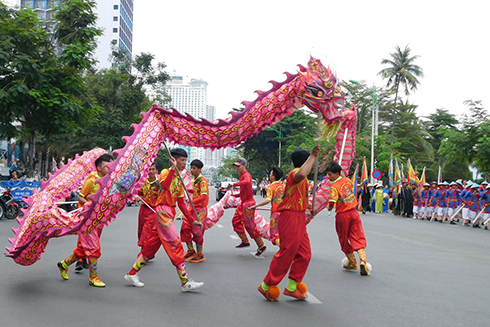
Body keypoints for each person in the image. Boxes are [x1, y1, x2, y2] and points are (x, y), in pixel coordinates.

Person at [123, 148, 204, 292]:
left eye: (186, 160)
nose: (185, 163)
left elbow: (181, 203)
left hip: (170, 212)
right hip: (162, 212)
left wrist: (192, 220)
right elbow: (165, 186)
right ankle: (185, 282)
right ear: (173, 160)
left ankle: (132, 274)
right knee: (175, 244)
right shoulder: (166, 172)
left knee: (151, 247)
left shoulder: (180, 179)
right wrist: (173, 169)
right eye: (182, 160)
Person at [258, 146, 319, 302]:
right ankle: (266, 286)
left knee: (304, 253)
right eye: (309, 161)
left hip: (299, 216)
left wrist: (310, 208)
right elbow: (303, 173)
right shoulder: (295, 173)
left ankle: (292, 287)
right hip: (290, 217)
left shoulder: (303, 179)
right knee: (287, 253)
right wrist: (312, 156)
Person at [57, 153, 114, 287]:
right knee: (94, 248)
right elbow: (80, 197)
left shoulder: (108, 180)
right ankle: (93, 277)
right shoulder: (91, 180)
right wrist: (90, 204)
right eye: (108, 165)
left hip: (99, 219)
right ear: (99, 167)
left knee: (84, 249)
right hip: (88, 220)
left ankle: (64, 264)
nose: (110, 168)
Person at [326, 162, 370, 276]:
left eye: (330, 175)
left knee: (343, 238)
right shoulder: (348, 181)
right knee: (358, 236)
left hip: (342, 214)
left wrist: (329, 208)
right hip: (354, 212)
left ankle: (352, 261)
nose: (329, 177)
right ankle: (363, 261)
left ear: (337, 174)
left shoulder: (334, 187)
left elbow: (332, 201)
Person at [229, 158, 267, 256]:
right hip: (243, 203)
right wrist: (236, 195)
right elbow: (244, 190)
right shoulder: (242, 175)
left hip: (248, 204)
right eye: (236, 166)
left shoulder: (246, 175)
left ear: (244, 166)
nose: (237, 168)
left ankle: (261, 245)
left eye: (239, 166)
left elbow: (246, 182)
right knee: (235, 221)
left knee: (250, 226)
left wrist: (234, 184)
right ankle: (245, 241)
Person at [248, 167, 285, 246]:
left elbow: (268, 200)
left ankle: (285, 253)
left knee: (275, 236)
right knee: (284, 234)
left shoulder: (270, 188)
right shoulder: (283, 187)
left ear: (273, 176)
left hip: (276, 214)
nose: (270, 176)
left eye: (271, 174)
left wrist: (255, 206)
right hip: (285, 213)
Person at [181, 159, 209, 263]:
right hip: (192, 208)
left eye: (194, 168)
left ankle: (200, 254)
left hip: (200, 209)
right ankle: (191, 250)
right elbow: (196, 191)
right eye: (191, 167)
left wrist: (192, 200)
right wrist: (188, 190)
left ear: (200, 169)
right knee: (185, 228)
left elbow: (203, 195)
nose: (192, 170)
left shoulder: (202, 180)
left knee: (197, 232)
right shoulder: (195, 180)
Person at [133, 163, 159, 250]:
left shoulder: (160, 183)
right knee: (141, 229)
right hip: (144, 209)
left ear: (156, 171)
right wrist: (136, 196)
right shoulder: (143, 182)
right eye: (149, 169)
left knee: (147, 230)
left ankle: (143, 253)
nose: (151, 171)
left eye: (153, 169)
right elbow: (138, 192)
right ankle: (147, 250)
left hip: (154, 209)